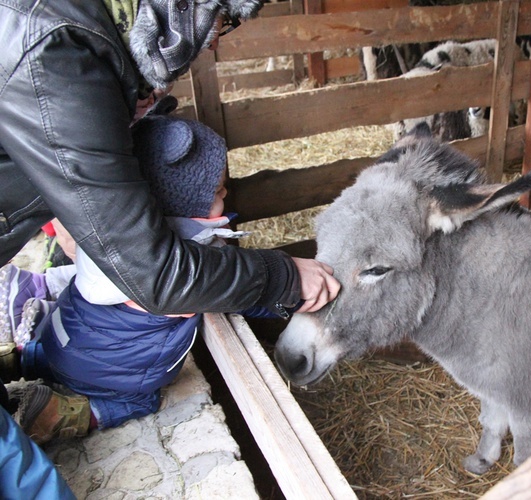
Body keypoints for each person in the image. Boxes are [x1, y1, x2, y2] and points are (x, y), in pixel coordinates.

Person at [0, 1, 340, 339]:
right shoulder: (58, 52)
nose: (215, 41)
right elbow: (154, 276)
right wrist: (284, 276)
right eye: (222, 18)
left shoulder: (75, 35)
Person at [4, 114, 308, 444]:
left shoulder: (112, 234)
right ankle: (56, 413)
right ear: (186, 200)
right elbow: (242, 291)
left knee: (68, 352)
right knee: (143, 399)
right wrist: (291, 298)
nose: (228, 194)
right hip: (101, 371)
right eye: (219, 190)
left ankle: (21, 359)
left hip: (58, 337)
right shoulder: (189, 255)